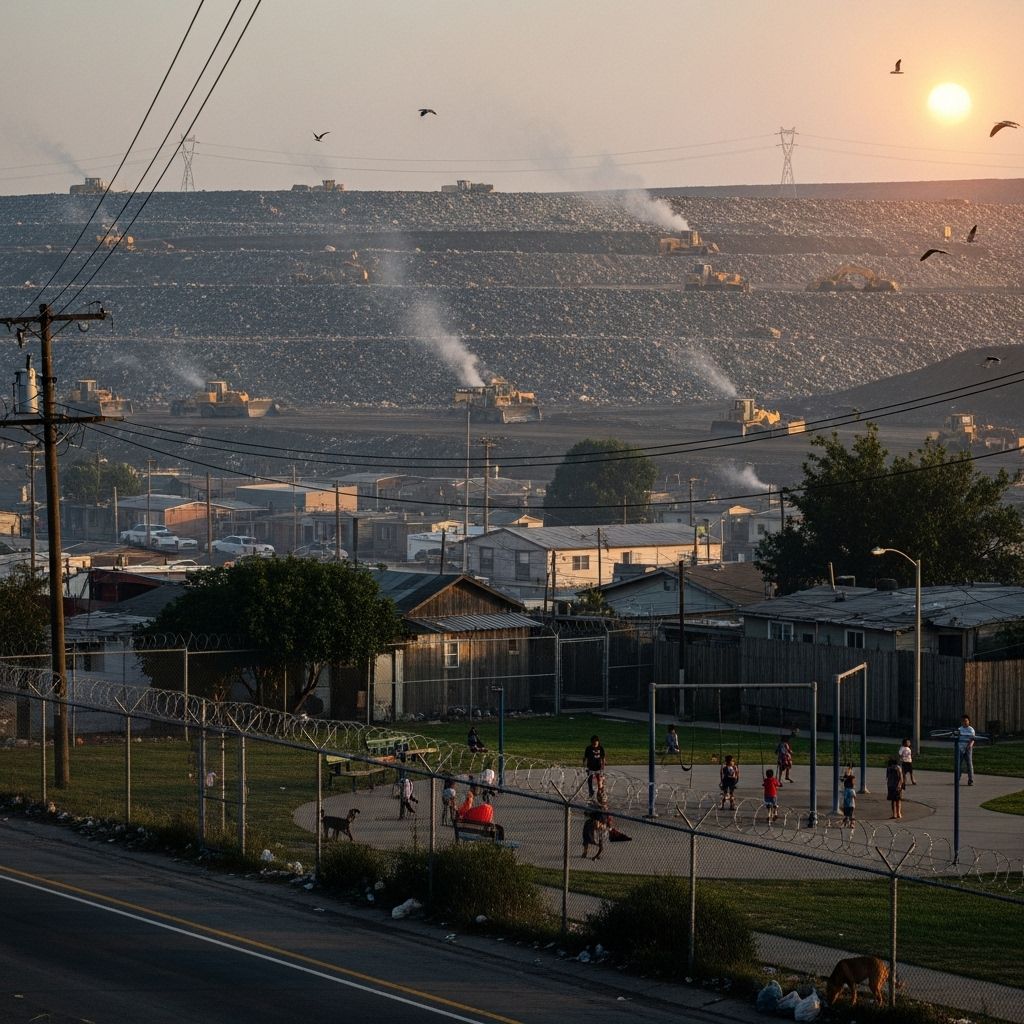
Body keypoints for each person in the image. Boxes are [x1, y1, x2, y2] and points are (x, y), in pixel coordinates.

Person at [957, 714, 976, 786]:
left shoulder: (971, 730)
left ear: (968, 721)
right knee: (958, 764)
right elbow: (957, 738)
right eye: (963, 721)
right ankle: (957, 779)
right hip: (960, 749)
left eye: (966, 721)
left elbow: (972, 739)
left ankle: (971, 780)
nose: (964, 723)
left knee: (969, 764)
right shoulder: (959, 729)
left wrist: (969, 746)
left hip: (968, 749)